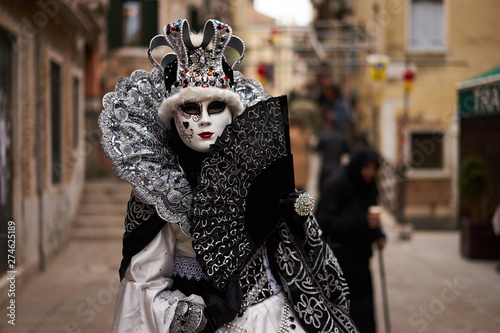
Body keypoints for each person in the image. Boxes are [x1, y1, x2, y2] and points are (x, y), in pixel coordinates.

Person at [99, 19, 359, 333]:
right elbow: (142, 285)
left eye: (217, 106)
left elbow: (292, 244)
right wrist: (202, 317)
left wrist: (300, 214)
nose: (205, 119)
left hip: (272, 317)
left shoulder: (256, 168)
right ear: (173, 115)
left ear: (233, 112)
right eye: (191, 108)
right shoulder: (159, 186)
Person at [315, 147, 386, 333]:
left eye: (374, 168)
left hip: (361, 258)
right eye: (367, 168)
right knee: (346, 308)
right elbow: (323, 221)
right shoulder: (336, 184)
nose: (371, 172)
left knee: (365, 308)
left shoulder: (369, 184)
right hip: (340, 259)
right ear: (357, 166)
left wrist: (378, 235)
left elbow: (371, 214)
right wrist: (362, 222)